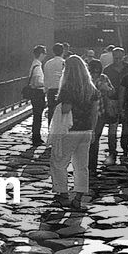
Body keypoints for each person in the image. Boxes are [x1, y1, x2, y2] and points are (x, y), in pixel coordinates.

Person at [48, 54, 99, 210]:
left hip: (70, 131)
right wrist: (93, 130)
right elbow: (95, 112)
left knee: (59, 162)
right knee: (81, 166)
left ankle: (63, 194)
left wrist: (55, 109)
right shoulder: (92, 88)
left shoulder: (68, 88)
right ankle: (78, 197)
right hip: (86, 130)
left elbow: (66, 109)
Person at [88, 58, 117, 182]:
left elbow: (113, 92)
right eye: (93, 71)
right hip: (86, 113)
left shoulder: (104, 78)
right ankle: (88, 165)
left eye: (97, 71)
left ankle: (92, 167)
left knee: (95, 138)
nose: (95, 74)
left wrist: (107, 89)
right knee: (88, 139)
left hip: (100, 112)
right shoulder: (86, 79)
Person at [26, 45, 47, 146]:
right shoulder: (38, 66)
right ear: (41, 54)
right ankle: (36, 137)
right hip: (38, 93)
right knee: (38, 116)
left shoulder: (34, 64)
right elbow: (37, 82)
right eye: (44, 54)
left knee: (36, 116)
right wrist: (46, 84)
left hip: (34, 93)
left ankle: (36, 136)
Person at [43, 43, 66, 120]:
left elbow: (45, 78)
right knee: (61, 114)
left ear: (53, 52)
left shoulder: (48, 63)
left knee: (51, 112)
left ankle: (50, 129)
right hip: (62, 91)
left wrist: (46, 90)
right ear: (63, 52)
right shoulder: (65, 63)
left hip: (51, 91)